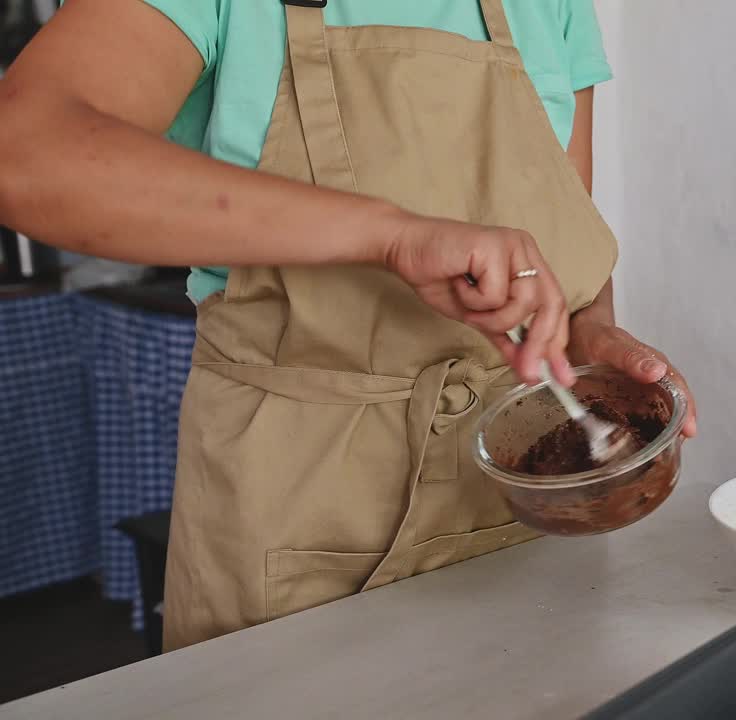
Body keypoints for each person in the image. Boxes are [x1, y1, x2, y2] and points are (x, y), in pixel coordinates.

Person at [0, 0, 696, 650]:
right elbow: (26, 154)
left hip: (517, 507)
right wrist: (390, 235)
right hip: (302, 510)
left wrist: (588, 332)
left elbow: (558, 236)